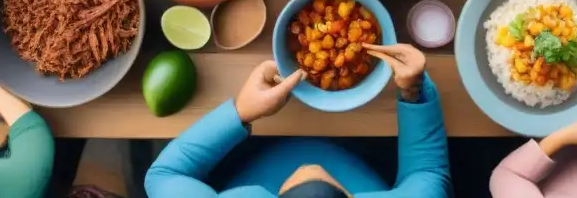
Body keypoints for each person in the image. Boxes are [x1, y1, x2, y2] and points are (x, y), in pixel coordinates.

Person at [145, 44, 451, 197]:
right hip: (362, 152)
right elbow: (428, 172)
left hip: (246, 158)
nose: (309, 168)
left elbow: (162, 175)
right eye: (326, 182)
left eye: (298, 181)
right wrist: (413, 87)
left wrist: (241, 111)